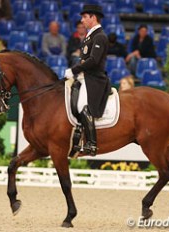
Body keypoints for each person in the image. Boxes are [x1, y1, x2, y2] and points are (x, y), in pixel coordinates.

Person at [64, 4, 111, 156]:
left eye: (85, 17)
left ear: (93, 18)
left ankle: (91, 143)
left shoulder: (100, 36)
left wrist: (74, 70)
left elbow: (93, 61)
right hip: (86, 77)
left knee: (83, 105)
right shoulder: (90, 36)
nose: (82, 20)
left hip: (95, 79)